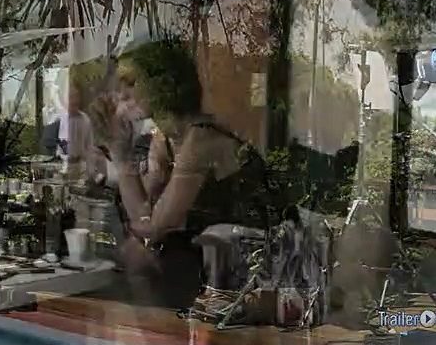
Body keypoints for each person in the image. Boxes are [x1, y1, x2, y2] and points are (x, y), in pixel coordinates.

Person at [96, 36, 271, 309]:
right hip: (209, 256)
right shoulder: (165, 140)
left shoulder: (200, 139)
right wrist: (120, 153)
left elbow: (155, 228)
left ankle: (153, 326)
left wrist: (121, 158)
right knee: (137, 253)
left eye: (132, 83)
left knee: (138, 256)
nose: (124, 95)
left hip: (248, 267)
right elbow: (143, 214)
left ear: (163, 85)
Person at [40, 84, 97, 177]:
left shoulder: (85, 119)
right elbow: (48, 147)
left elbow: (89, 147)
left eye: (76, 96)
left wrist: (91, 172)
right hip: (60, 170)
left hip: (81, 169)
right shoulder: (57, 120)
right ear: (64, 99)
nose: (74, 100)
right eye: (71, 97)